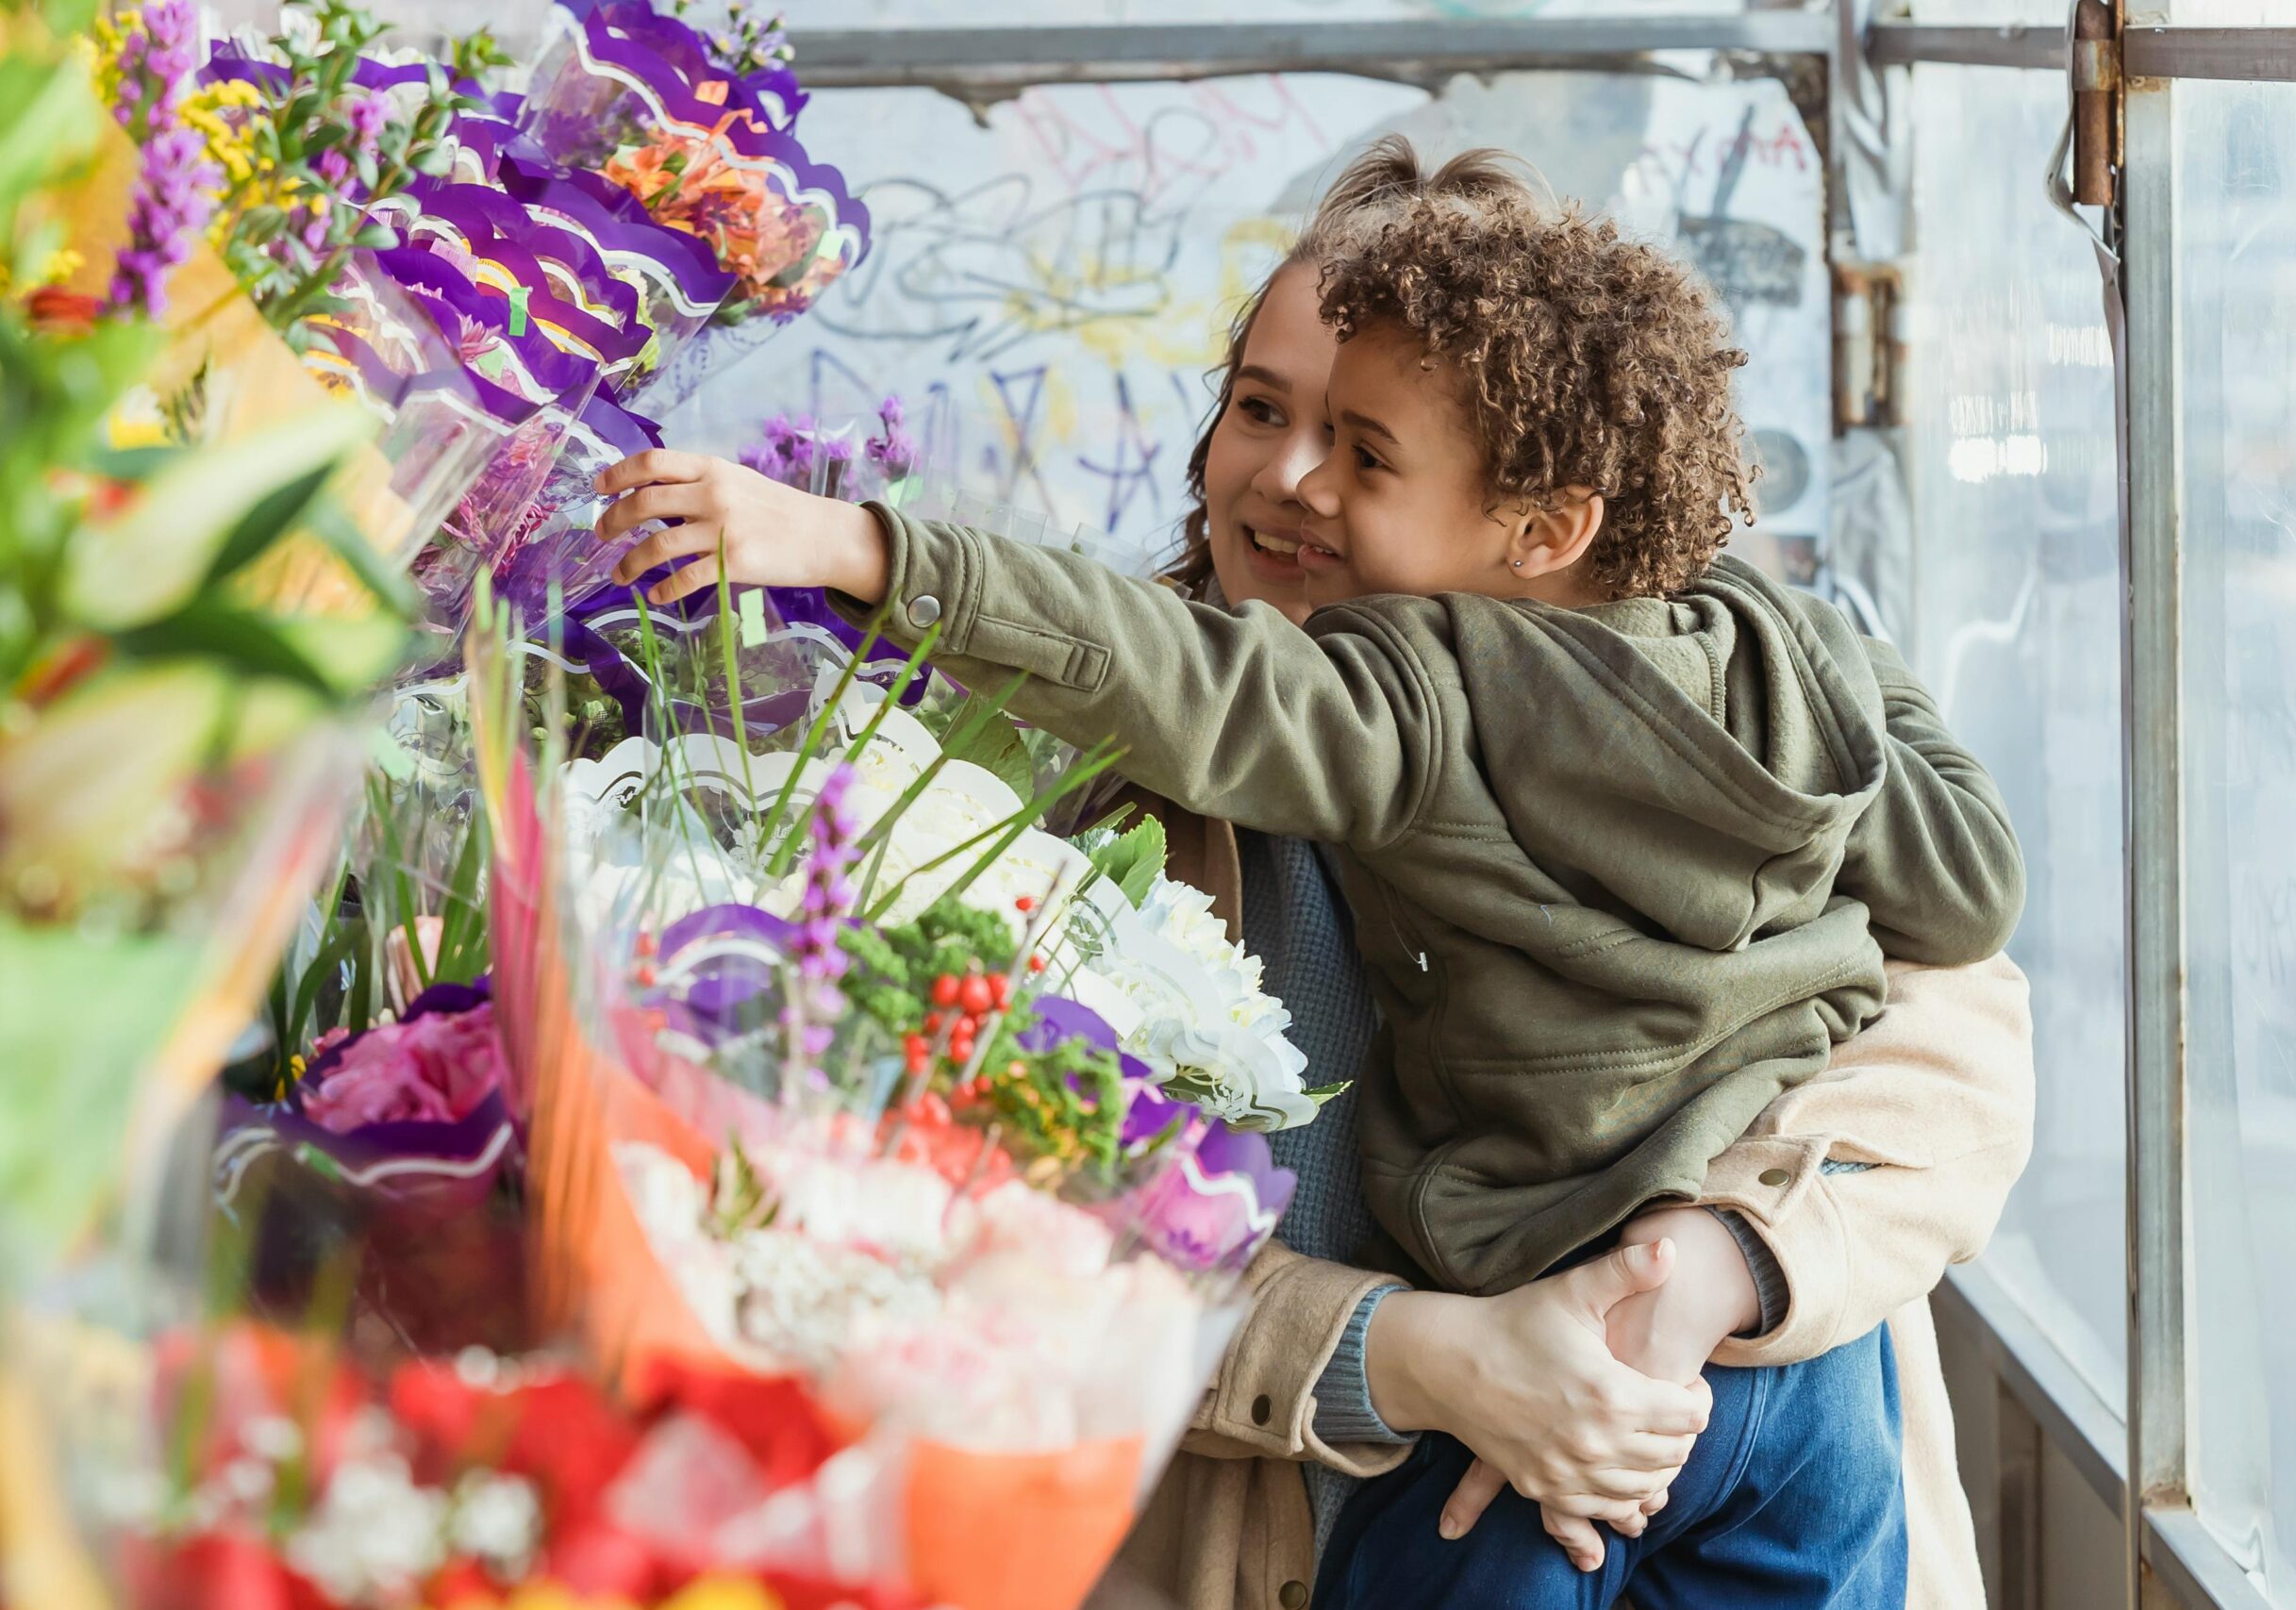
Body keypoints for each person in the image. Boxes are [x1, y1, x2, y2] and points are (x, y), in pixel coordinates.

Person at [593, 141, 2036, 1610]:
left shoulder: (1698, 687)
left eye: (1365, 448)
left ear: (1541, 520)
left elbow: (1955, 1059)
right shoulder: (1025, 795)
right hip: (1311, 1535)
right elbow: (999, 1244)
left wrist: (1697, 1281)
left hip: (1706, 1420)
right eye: (1262, 412)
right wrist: (1420, 1359)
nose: (1293, 480)